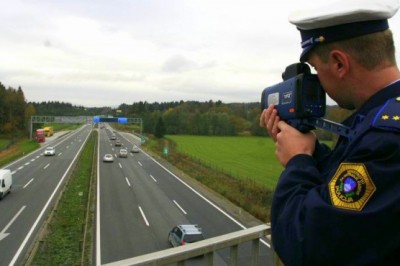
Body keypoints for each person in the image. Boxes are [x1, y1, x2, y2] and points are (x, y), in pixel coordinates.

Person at [259, 0, 400, 265]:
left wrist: (297, 161)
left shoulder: (387, 138)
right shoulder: (380, 121)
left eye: (315, 69)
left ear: (338, 63)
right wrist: (309, 150)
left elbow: (306, 244)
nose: (317, 80)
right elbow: (350, 184)